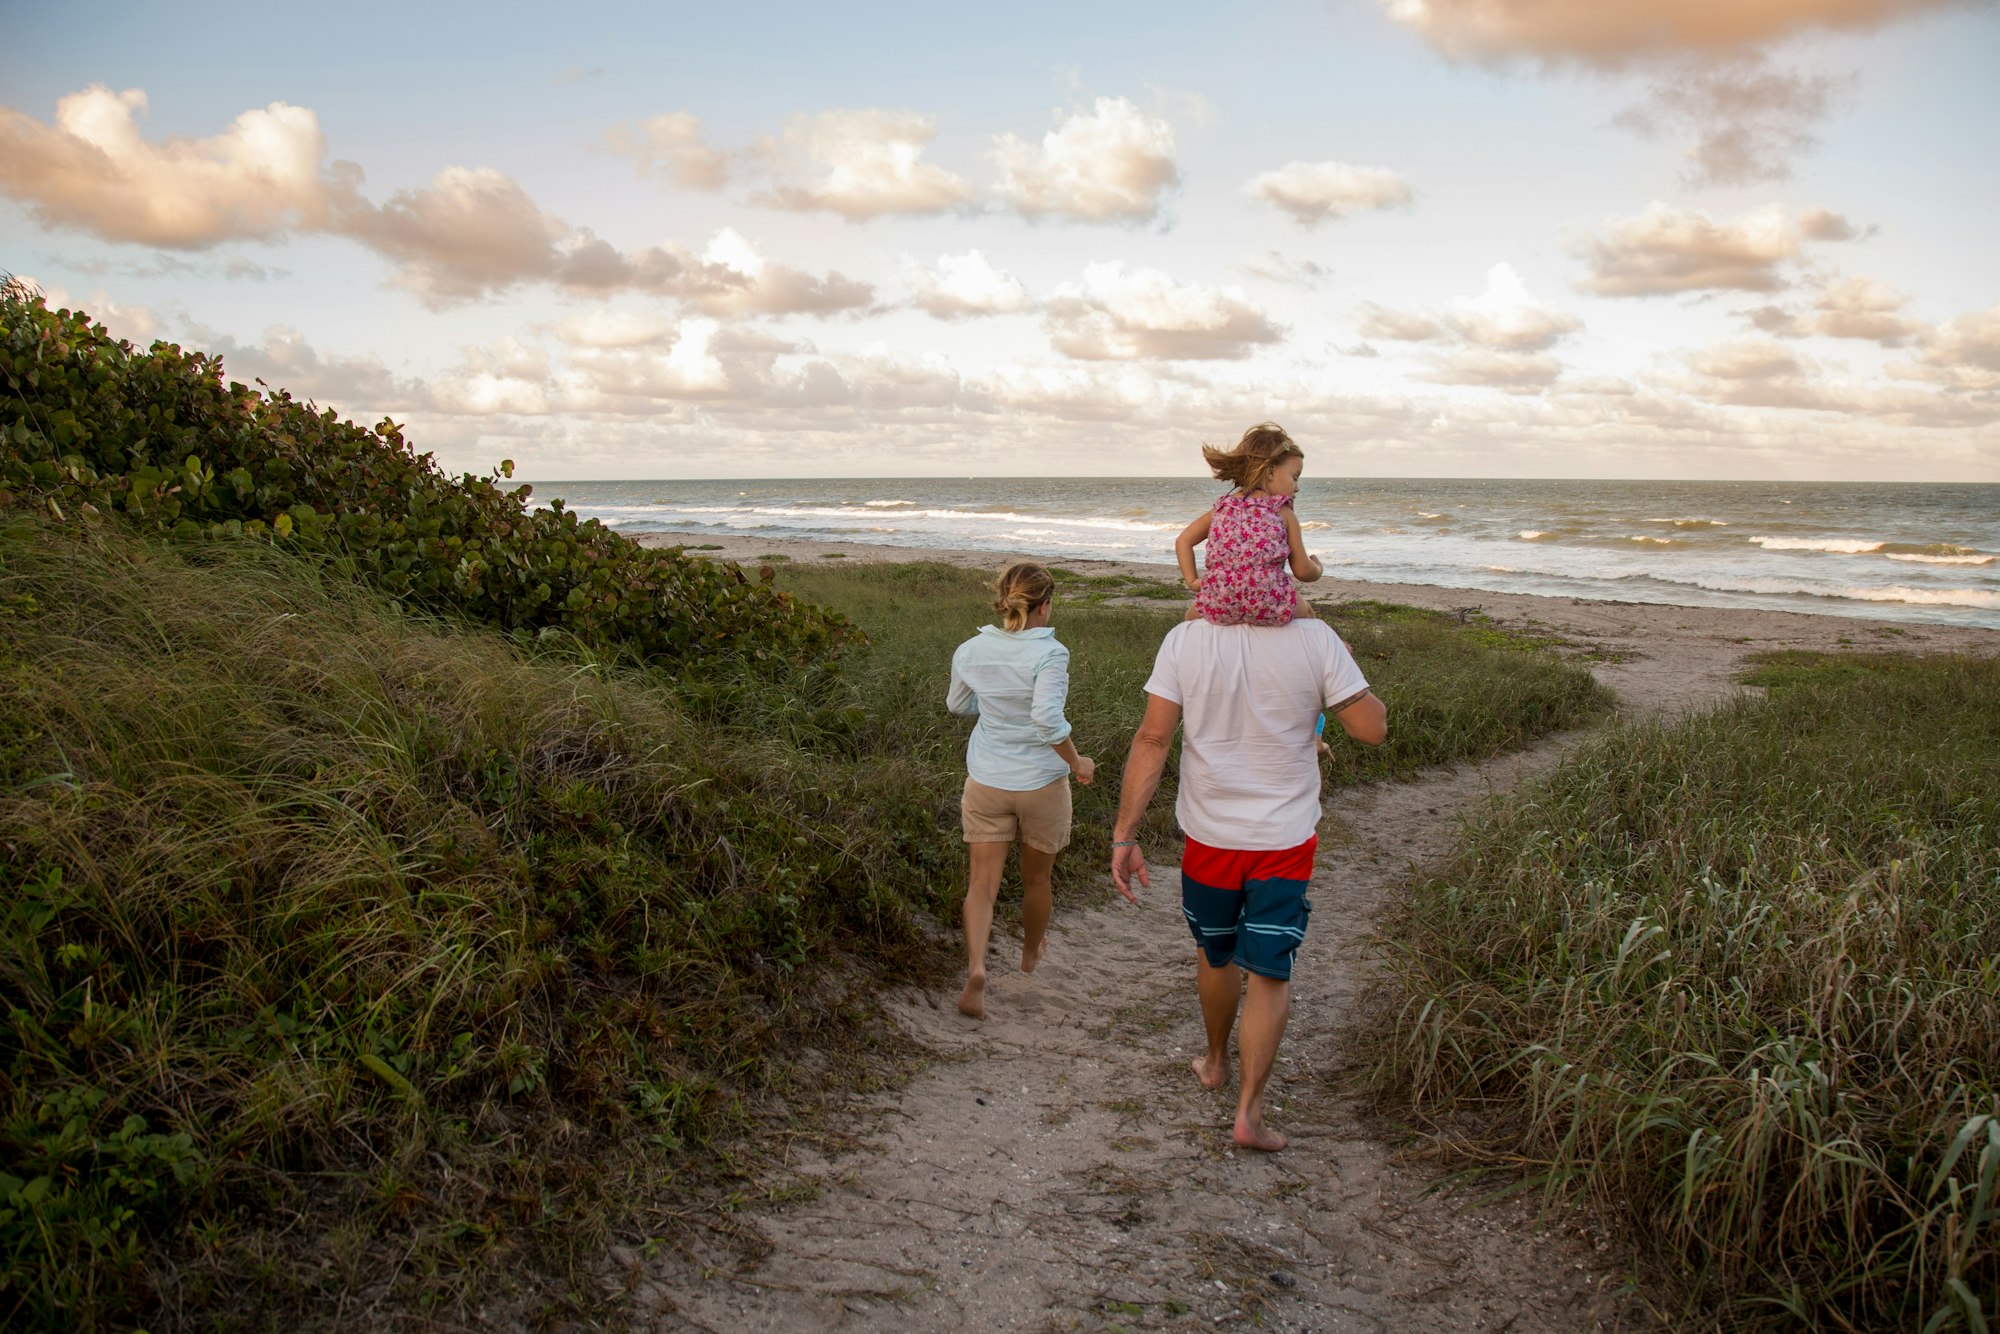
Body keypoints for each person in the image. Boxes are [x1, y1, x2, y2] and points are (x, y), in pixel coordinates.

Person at [1107, 615, 1387, 1151]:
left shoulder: (1184, 639)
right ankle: (1249, 1115)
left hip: (1209, 834)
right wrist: (1344, 671)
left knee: (1215, 954)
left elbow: (1152, 737)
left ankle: (1214, 1062)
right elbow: (1372, 729)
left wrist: (1124, 833)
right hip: (1282, 838)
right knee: (1269, 971)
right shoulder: (1317, 637)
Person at [947, 562, 1096, 1020]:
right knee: (1037, 879)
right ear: (1044, 605)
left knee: (982, 883)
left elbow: (957, 703)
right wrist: (1077, 761)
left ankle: (976, 968)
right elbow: (1047, 720)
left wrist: (994, 703)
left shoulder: (972, 649)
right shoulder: (1050, 653)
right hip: (1040, 783)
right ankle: (1031, 953)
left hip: (987, 780)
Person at [1174, 422, 1325, 628]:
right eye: (1294, 477)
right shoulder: (1282, 512)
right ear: (1271, 471)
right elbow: (1302, 571)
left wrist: (1193, 581)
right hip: (1269, 602)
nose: (1297, 487)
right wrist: (1317, 567)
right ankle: (1329, 647)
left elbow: (1183, 541)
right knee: (1307, 612)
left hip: (1220, 601)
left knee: (1190, 617)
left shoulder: (1222, 508)